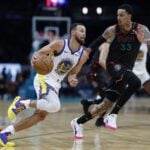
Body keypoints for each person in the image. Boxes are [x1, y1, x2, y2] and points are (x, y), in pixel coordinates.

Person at [0, 23, 89, 146]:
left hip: (55, 85)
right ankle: (21, 103)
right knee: (55, 106)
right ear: (73, 32)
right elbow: (40, 53)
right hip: (44, 79)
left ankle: (5, 133)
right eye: (81, 31)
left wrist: (72, 79)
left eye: (84, 31)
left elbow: (72, 73)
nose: (84, 34)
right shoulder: (60, 44)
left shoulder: (83, 55)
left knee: (40, 116)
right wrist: (35, 59)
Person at [71, 3, 150, 139]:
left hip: (126, 69)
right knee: (136, 82)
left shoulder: (141, 29)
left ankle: (78, 122)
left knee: (103, 106)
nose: (118, 17)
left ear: (129, 16)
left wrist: (145, 41)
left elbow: (149, 43)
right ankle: (113, 115)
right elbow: (97, 42)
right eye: (117, 15)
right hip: (114, 65)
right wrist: (88, 50)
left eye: (121, 15)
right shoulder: (113, 30)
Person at [95, 42, 150, 130]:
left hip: (143, 73)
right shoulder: (130, 42)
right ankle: (101, 117)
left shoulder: (146, 43)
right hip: (131, 72)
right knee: (115, 96)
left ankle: (110, 115)